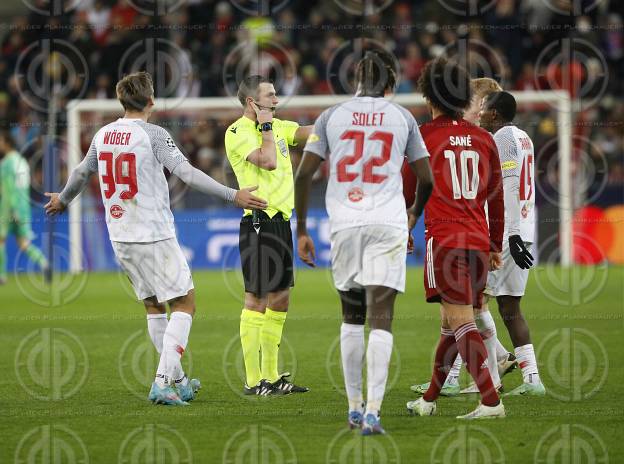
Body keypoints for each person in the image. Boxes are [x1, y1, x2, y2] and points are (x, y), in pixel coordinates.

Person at [45, 71, 266, 405]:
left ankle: (177, 380)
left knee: (153, 306)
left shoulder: (103, 135)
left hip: (119, 236)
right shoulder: (154, 134)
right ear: (151, 101)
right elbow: (187, 174)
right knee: (185, 302)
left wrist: (63, 199)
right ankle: (163, 381)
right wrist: (232, 195)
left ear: (121, 100)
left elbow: (80, 173)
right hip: (153, 233)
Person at [295, 50, 433, 434]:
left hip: (345, 222)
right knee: (382, 318)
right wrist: (412, 215)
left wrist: (302, 229)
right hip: (386, 222)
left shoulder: (331, 116)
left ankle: (354, 407)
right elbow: (427, 179)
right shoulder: (402, 116)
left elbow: (304, 175)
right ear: (390, 83)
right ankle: (374, 410)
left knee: (351, 317)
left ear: (355, 81)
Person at [406, 57, 506, 419]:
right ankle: (429, 399)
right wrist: (495, 242)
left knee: (461, 321)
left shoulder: (422, 136)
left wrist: (405, 226)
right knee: (452, 325)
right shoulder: (483, 139)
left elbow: (406, 187)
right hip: (478, 240)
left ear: (429, 97)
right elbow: (496, 196)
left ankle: (490, 400)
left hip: (445, 240)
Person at [224, 75, 312, 396]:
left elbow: (308, 134)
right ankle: (252, 380)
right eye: (270, 96)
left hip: (281, 222)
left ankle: (272, 377)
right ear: (252, 102)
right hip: (258, 221)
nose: (276, 101)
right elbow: (270, 161)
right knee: (256, 299)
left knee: (281, 298)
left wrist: (342, 120)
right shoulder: (237, 132)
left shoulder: (279, 127)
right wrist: (264, 127)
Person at [478, 91, 545, 396]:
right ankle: (532, 380)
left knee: (471, 301)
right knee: (509, 306)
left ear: (494, 114)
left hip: (509, 232)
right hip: (525, 227)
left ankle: (492, 368)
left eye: (483, 109)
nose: (479, 113)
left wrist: (512, 234)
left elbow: (509, 183)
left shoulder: (503, 136)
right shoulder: (523, 137)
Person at [0, 130, 48, 284]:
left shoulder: (7, 163)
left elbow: (9, 188)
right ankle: (44, 263)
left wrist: (12, 209)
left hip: (9, 208)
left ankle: (1, 275)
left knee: (1, 240)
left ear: (7, 143)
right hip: (24, 207)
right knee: (24, 243)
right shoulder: (22, 161)